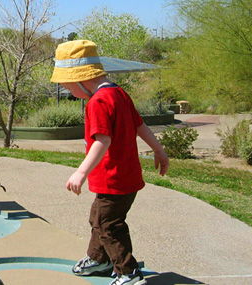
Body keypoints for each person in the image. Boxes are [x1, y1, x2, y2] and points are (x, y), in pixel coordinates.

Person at [50, 40, 169, 285]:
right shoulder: (118, 93)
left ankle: (128, 273)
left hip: (113, 179)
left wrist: (80, 172)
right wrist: (159, 150)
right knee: (98, 217)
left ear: (79, 80)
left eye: (67, 86)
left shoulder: (98, 102)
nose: (68, 92)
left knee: (109, 224)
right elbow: (140, 125)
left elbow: (102, 141)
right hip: (125, 178)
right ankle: (98, 258)